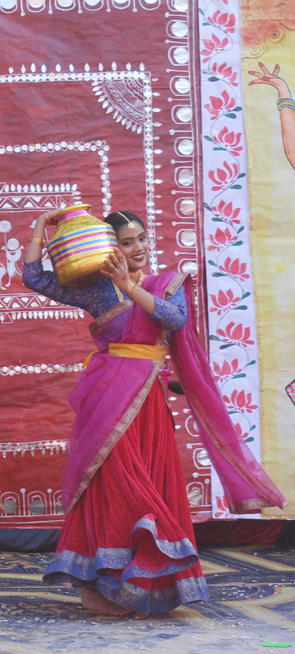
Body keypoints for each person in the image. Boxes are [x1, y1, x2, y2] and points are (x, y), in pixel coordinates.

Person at [23, 209, 284, 615]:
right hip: (107, 399)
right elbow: (34, 278)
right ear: (109, 248)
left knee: (147, 481)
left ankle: (145, 583)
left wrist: (128, 286)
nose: (138, 248)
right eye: (126, 243)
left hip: (147, 401)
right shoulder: (94, 290)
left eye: (141, 239)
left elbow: (174, 319)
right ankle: (103, 584)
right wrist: (41, 228)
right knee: (113, 484)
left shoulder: (167, 284)